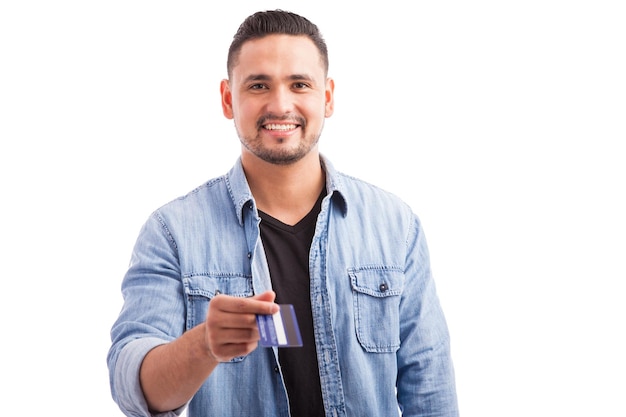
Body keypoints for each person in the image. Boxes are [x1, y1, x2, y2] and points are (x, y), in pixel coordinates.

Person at [107, 9, 458, 417]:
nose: (280, 104)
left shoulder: (395, 226)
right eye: (258, 85)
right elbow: (131, 386)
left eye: (299, 84)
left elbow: (429, 387)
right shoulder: (173, 232)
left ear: (326, 97)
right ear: (227, 98)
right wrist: (203, 345)